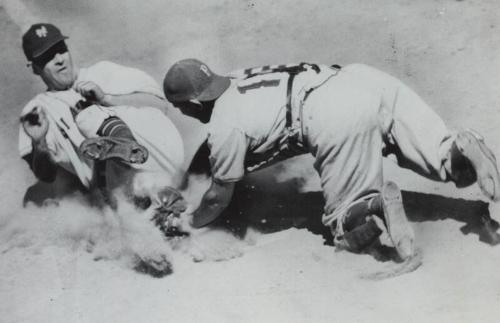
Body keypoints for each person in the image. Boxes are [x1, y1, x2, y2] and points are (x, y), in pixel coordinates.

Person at [162, 59, 500, 262]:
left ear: (191, 105)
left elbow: (219, 196)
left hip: (333, 113)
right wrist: (186, 182)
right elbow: (208, 156)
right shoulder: (236, 78)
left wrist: (188, 223)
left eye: (180, 108)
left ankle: (374, 204)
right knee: (447, 164)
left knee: (348, 229)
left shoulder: (225, 126)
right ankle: (462, 147)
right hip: (358, 78)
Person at [19, 23, 185, 276]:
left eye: (60, 49)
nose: (60, 60)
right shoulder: (36, 110)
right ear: (35, 68)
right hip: (118, 187)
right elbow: (45, 175)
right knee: (148, 212)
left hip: (156, 151)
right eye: (47, 58)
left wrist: (108, 99)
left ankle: (120, 145)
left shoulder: (103, 72)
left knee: (87, 117)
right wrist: (39, 142)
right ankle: (160, 222)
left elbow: (160, 105)